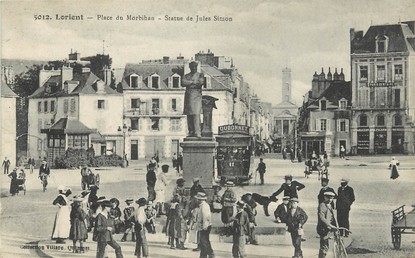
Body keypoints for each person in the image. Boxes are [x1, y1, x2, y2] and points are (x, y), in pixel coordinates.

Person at [181, 61, 204, 137]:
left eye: (195, 67)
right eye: (192, 67)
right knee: (189, 114)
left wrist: (189, 83)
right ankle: (191, 131)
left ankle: (197, 132)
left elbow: (200, 83)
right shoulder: (186, 75)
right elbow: (183, 82)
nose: (194, 68)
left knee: (196, 113)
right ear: (190, 68)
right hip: (189, 96)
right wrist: (193, 82)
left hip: (197, 96)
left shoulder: (200, 75)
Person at [317, 191, 337, 258]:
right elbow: (322, 218)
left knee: (326, 246)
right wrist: (330, 225)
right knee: (324, 246)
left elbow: (332, 217)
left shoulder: (330, 205)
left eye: (331, 198)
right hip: (323, 229)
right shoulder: (322, 205)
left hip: (328, 228)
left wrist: (335, 226)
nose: (330, 200)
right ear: (325, 197)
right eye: (328, 198)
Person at [195, 192, 214, 258]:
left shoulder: (204, 206)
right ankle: (205, 255)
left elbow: (206, 217)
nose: (197, 200)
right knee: (204, 242)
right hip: (204, 226)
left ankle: (209, 255)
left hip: (205, 226)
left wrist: (204, 227)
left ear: (200, 199)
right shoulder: (202, 205)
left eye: (197, 199)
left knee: (204, 242)